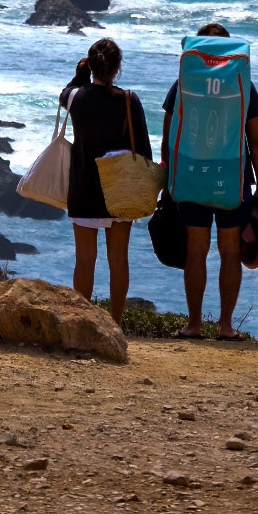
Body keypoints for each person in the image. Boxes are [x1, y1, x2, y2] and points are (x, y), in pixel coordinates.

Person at [161, 21, 258, 340]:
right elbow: (257, 141)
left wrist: (168, 175)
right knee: (229, 251)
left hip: (191, 174)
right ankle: (225, 326)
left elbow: (168, 134)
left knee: (196, 251)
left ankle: (193, 325)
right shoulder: (242, 80)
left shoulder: (185, 78)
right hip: (231, 177)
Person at [59, 37, 152, 325]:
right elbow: (145, 152)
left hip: (84, 188)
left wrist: (80, 74)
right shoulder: (129, 100)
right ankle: (114, 324)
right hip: (120, 191)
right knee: (118, 260)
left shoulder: (76, 98)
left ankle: (82, 323)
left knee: (85, 260)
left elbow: (66, 93)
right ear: (117, 68)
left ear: (91, 65)